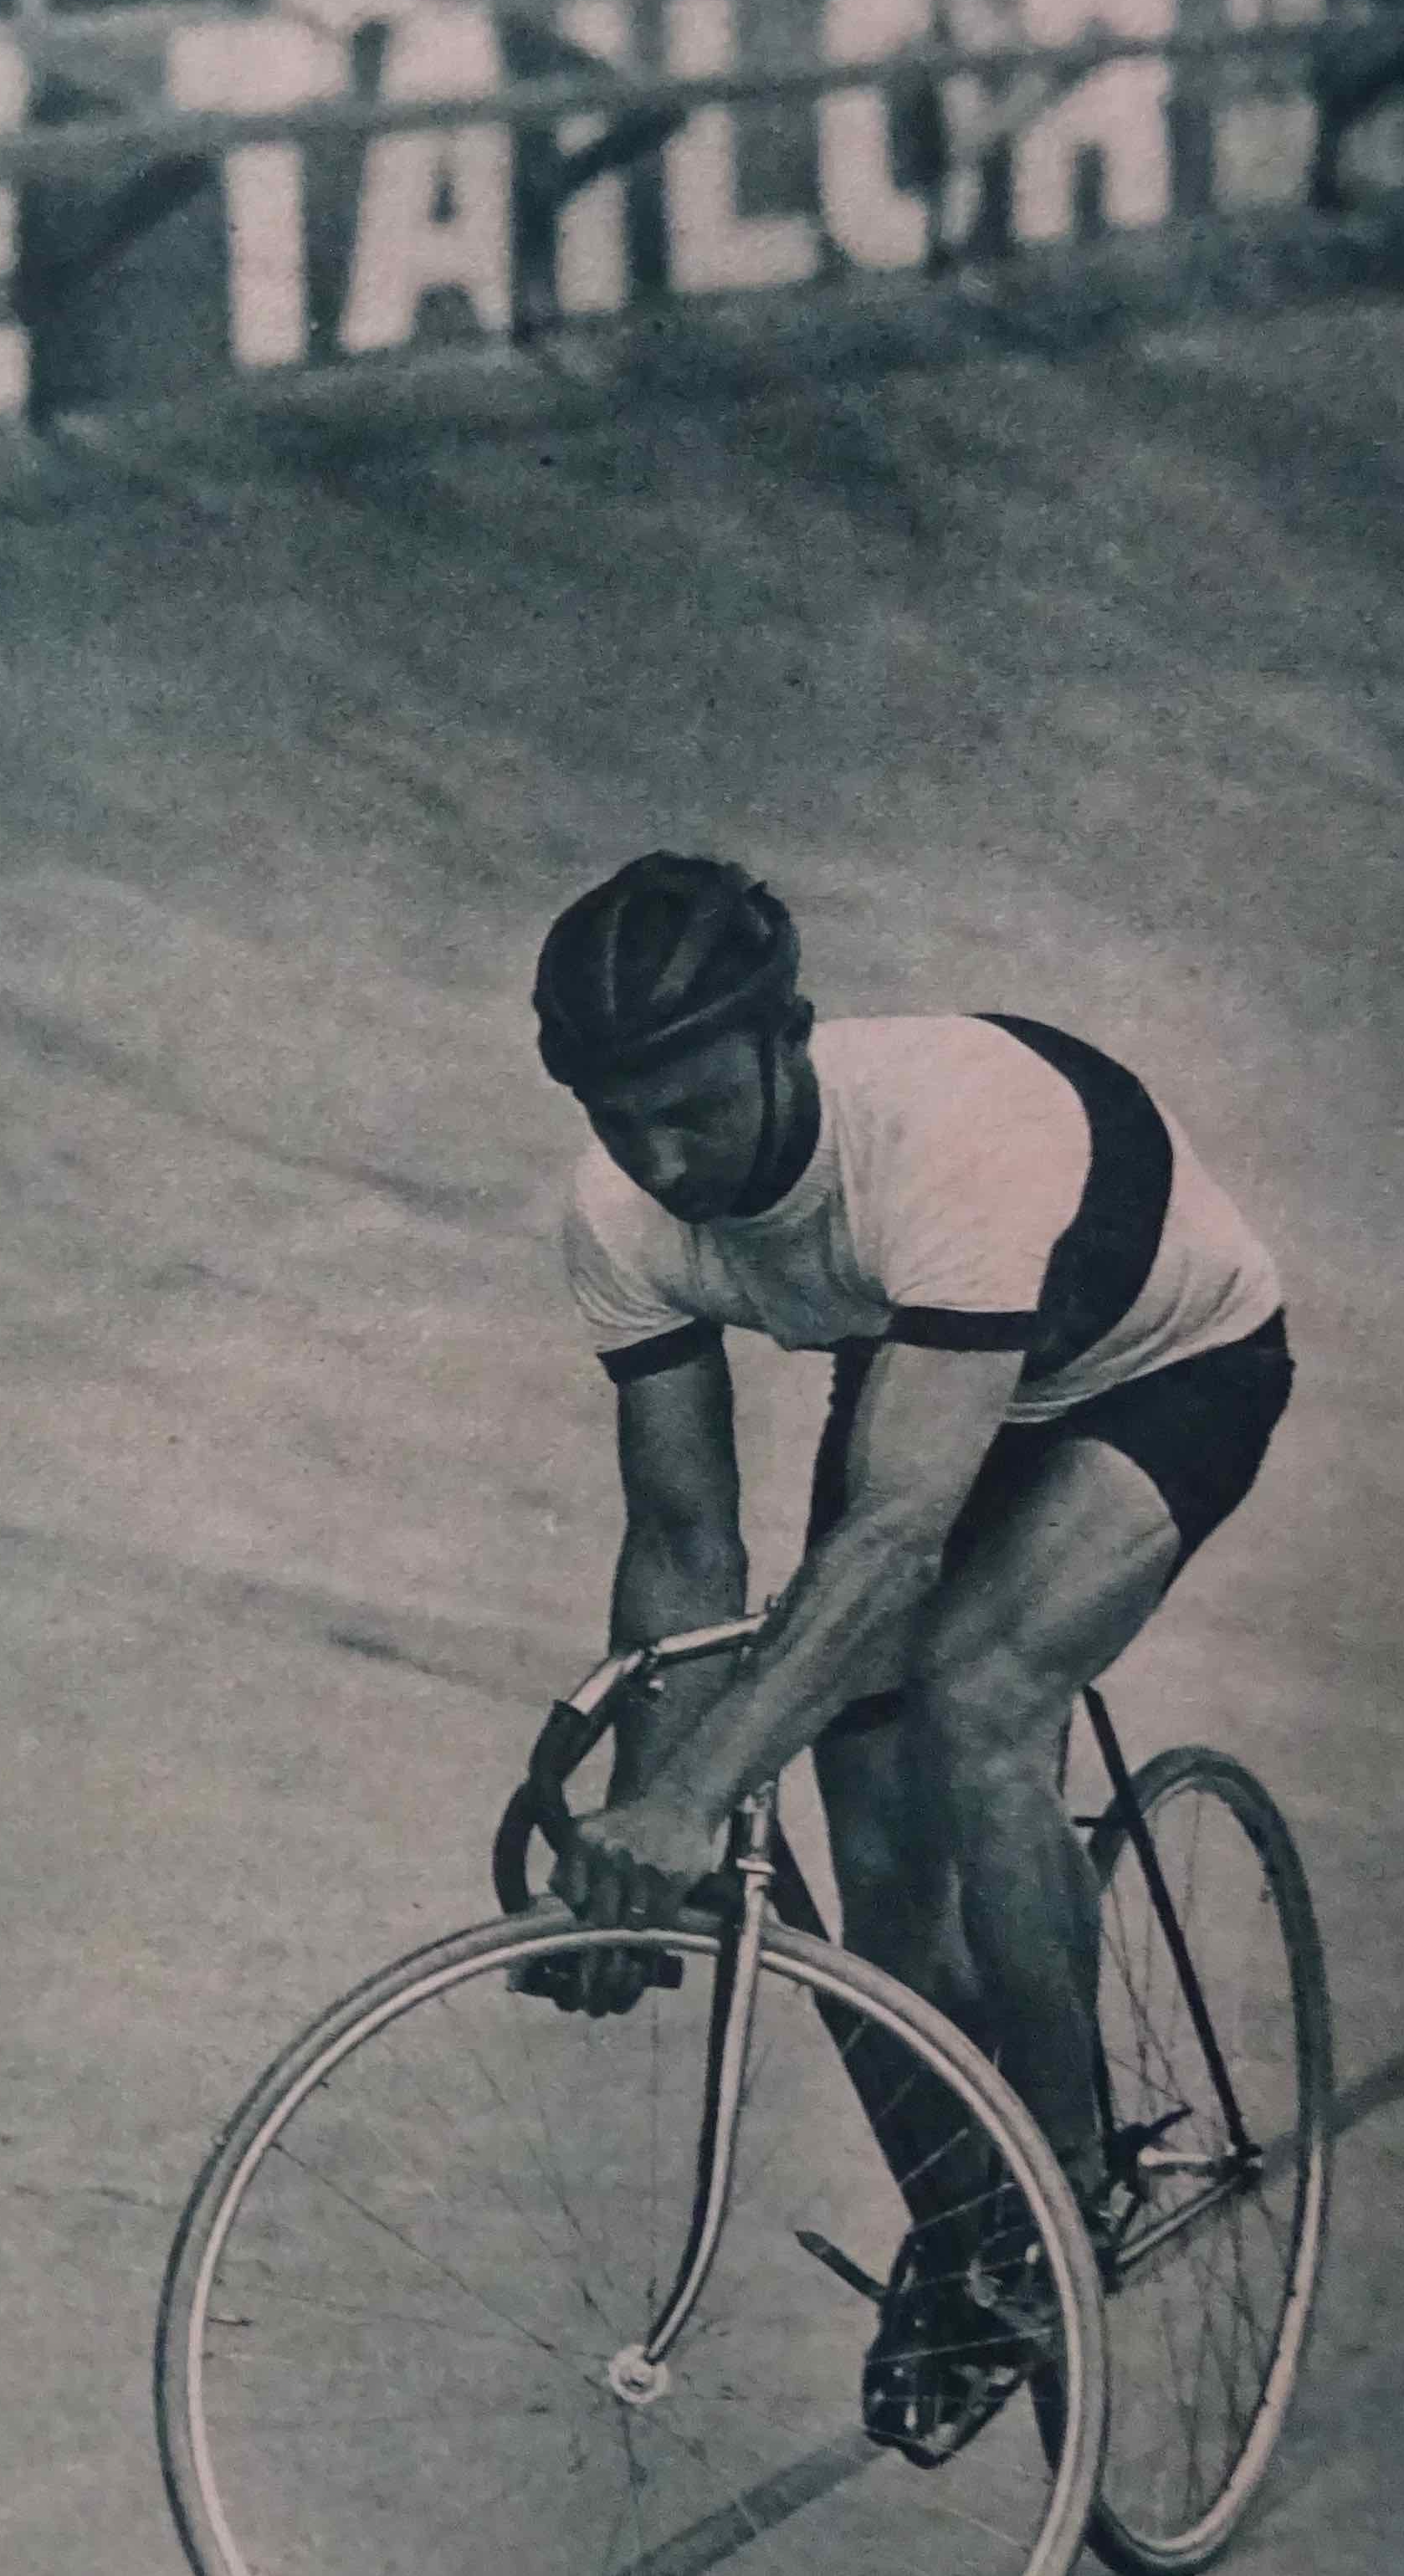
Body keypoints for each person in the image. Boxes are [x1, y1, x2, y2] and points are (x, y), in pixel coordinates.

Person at [531, 854, 1292, 2445]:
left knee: (976, 1698)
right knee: (880, 1868)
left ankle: (1067, 2203)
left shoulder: (948, 1133)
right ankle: (973, 2229)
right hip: (937, 1363)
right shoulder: (618, 1211)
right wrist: (638, 1825)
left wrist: (694, 1798)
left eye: (696, 1110)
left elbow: (890, 1543)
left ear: (788, 1039)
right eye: (621, 1119)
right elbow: (683, 1545)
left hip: (1163, 1369)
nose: (663, 1161)